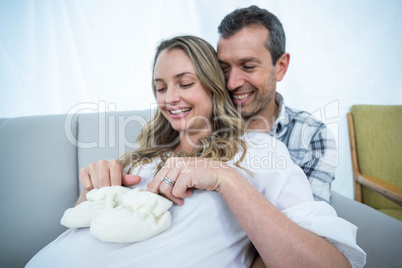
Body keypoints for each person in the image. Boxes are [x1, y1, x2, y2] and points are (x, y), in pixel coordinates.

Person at [27, 35, 365, 268]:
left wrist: (227, 178)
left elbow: (332, 263)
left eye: (185, 83)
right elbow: (72, 236)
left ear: (214, 86)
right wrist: (91, 192)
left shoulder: (260, 152)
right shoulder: (142, 156)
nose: (169, 98)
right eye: (160, 88)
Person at [79, 5, 336, 204]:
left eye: (248, 66)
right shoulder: (185, 133)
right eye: (223, 68)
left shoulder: (307, 136)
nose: (233, 82)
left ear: (280, 67)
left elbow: (305, 234)